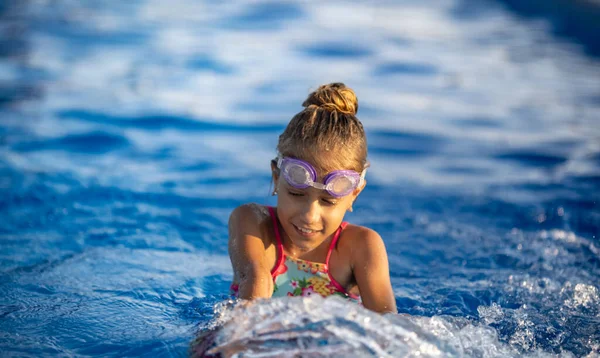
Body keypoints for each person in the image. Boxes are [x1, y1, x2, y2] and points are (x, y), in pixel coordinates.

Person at [228, 83, 397, 314]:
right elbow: (256, 281)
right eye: (297, 194)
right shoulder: (253, 223)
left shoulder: (361, 246)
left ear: (353, 195)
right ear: (276, 179)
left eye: (328, 201)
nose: (309, 215)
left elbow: (388, 324)